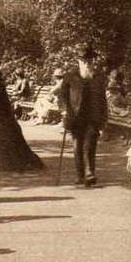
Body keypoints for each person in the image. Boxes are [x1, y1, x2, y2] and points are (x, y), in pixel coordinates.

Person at [52, 45, 108, 187]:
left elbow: (103, 99)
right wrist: (64, 111)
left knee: (90, 145)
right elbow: (62, 96)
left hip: (93, 116)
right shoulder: (70, 76)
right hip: (75, 116)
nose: (87, 63)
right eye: (84, 60)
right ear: (79, 61)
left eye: (89, 60)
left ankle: (90, 173)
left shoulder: (99, 77)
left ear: (92, 60)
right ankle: (80, 175)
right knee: (77, 146)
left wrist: (104, 117)